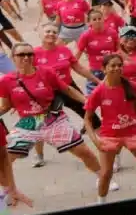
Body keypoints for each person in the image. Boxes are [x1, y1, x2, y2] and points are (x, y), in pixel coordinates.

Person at [0, 42, 110, 185]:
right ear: (13, 58)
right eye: (21, 54)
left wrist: (87, 102)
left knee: (83, 151)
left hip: (52, 119)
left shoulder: (46, 72)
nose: (26, 57)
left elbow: (68, 90)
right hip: (28, 123)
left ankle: (103, 178)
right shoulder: (6, 81)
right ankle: (8, 191)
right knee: (4, 159)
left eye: (29, 54)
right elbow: (5, 106)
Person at [84, 53, 136, 202]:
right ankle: (100, 204)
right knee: (105, 174)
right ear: (104, 69)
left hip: (133, 134)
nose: (117, 68)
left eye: (119, 65)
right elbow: (87, 119)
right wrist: (95, 140)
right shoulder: (98, 91)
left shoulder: (131, 86)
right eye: (112, 66)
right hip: (109, 136)